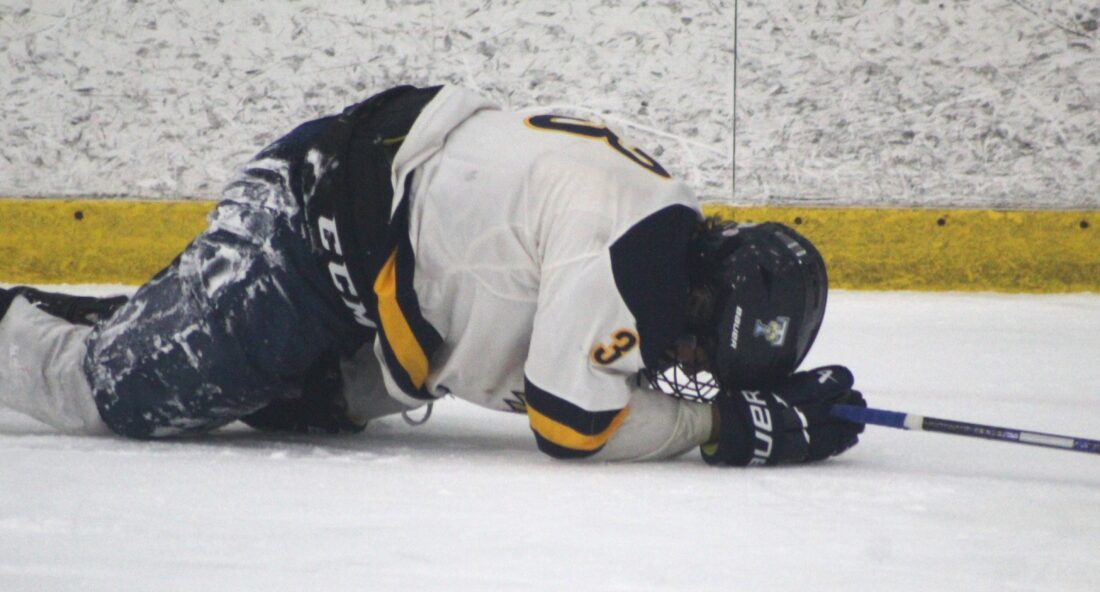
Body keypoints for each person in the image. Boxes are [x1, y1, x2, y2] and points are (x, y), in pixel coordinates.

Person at [0, 84, 866, 465]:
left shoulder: (663, 230)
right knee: (118, 394)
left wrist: (729, 409)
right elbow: (572, 426)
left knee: (287, 405)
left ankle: (146, 322)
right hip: (306, 236)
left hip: (373, 270)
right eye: (701, 349)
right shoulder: (629, 262)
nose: (685, 362)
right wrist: (718, 424)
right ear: (705, 295)